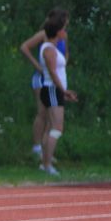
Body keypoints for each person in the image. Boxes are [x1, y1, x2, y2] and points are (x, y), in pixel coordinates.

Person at [19, 8, 68, 161]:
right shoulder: (44, 34)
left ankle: (47, 151)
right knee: (43, 113)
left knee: (52, 116)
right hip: (42, 78)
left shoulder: (63, 35)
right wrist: (38, 66)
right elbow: (24, 47)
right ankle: (37, 147)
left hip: (55, 78)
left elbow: (65, 53)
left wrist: (62, 65)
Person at [37, 12, 77, 176]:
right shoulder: (49, 50)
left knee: (51, 128)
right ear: (58, 31)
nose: (65, 32)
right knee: (57, 128)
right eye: (64, 29)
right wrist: (63, 90)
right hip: (52, 90)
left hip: (54, 90)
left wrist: (63, 92)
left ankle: (45, 162)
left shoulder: (52, 48)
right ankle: (47, 164)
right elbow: (53, 73)